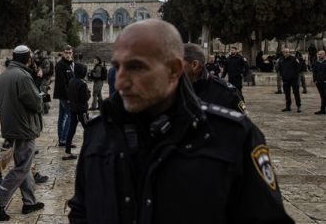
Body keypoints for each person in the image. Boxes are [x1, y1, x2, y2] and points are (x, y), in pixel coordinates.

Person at [68, 20, 293, 223]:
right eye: (118, 67)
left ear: (174, 70)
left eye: (136, 67)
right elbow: (82, 210)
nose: (119, 83)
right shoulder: (100, 132)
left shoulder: (232, 136)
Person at [0, 45, 45, 221]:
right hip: (24, 128)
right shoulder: (23, 77)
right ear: (28, 60)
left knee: (24, 165)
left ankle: (30, 201)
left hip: (13, 127)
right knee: (21, 168)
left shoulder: (5, 75)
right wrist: (39, 93)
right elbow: (36, 103)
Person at [183, 43, 248, 117]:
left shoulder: (228, 94)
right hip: (231, 76)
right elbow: (226, 68)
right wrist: (223, 75)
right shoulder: (172, 91)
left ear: (194, 65)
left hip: (237, 77)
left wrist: (244, 73)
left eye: (177, 63)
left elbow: (244, 125)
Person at [63, 63, 89, 160]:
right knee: (88, 129)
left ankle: (67, 152)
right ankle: (89, 150)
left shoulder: (71, 81)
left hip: (73, 109)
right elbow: (84, 98)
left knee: (71, 130)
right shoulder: (82, 83)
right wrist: (89, 92)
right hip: (82, 110)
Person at [54, 46, 75, 147]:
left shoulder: (70, 64)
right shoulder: (60, 65)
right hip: (64, 95)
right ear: (63, 53)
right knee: (70, 115)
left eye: (70, 53)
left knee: (62, 116)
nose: (68, 55)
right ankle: (65, 138)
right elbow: (62, 83)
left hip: (66, 94)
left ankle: (62, 139)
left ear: (72, 53)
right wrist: (68, 97)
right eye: (66, 52)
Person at [279, 48, 302, 112]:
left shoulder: (294, 59)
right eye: (285, 52)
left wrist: (295, 74)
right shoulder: (281, 60)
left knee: (296, 93)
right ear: (283, 53)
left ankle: (299, 106)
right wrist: (282, 74)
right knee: (287, 93)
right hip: (286, 79)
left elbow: (298, 67)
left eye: (288, 52)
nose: (287, 53)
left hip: (293, 79)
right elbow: (279, 68)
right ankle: (288, 106)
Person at [313, 50, 326, 114]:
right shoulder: (316, 63)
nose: (319, 55)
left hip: (325, 81)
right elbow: (314, 72)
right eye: (319, 54)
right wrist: (315, 80)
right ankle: (322, 109)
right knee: (322, 96)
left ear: (324, 55)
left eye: (321, 54)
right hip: (319, 81)